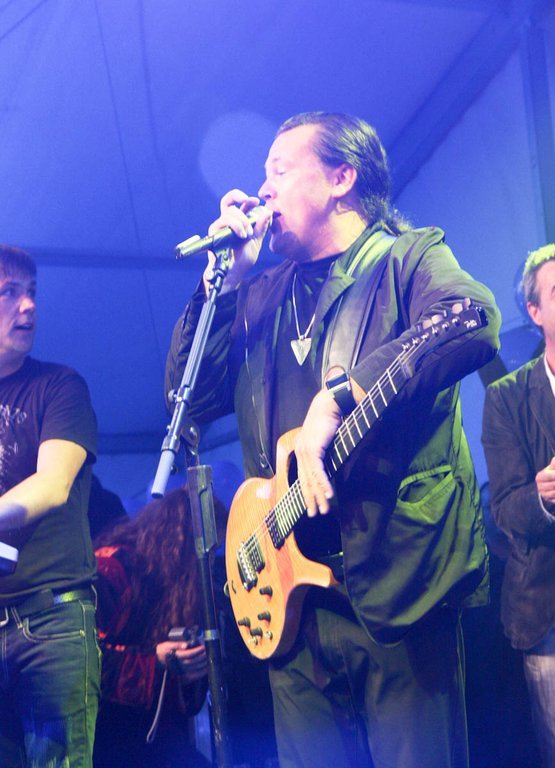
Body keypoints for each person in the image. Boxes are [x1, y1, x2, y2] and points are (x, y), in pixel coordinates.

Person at [165, 112, 501, 768]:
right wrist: (223, 286)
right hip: (291, 603)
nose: (262, 190)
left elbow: (472, 318)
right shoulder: (260, 296)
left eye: (279, 170)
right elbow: (189, 399)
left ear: (342, 178)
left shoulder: (407, 258)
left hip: (397, 590)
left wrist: (341, 396)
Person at [0, 245, 99, 766]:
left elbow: (52, 485)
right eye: (10, 292)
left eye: (32, 292)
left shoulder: (59, 386)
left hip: (52, 621)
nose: (29, 306)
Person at [482, 243, 555, 767]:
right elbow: (505, 508)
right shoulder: (507, 397)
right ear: (534, 311)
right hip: (546, 613)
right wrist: (544, 496)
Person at [93, 487, 220, 768]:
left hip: (148, 739)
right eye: (209, 553)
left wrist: (189, 673)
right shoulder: (114, 568)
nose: (212, 564)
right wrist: (155, 662)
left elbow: (183, 706)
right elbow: (84, 660)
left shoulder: (183, 591)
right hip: (101, 737)